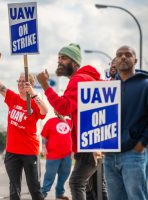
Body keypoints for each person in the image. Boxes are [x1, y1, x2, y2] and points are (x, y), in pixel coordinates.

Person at [37, 43, 101, 200]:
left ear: (75, 63)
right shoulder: (87, 78)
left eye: (64, 58)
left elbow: (64, 107)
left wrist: (45, 85)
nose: (59, 61)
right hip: (94, 139)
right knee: (95, 188)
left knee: (76, 183)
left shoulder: (78, 80)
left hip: (88, 142)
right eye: (59, 57)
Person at [0, 52, 48, 200]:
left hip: (29, 151)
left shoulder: (35, 102)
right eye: (19, 81)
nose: (20, 83)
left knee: (34, 188)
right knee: (14, 189)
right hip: (12, 151)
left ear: (30, 84)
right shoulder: (12, 98)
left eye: (24, 81)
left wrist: (33, 94)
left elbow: (45, 111)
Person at [103, 45, 148, 200]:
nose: (123, 57)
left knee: (137, 197)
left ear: (135, 59)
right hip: (109, 155)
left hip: (133, 154)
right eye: (119, 55)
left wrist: (142, 143)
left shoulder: (145, 85)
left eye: (128, 54)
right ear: (114, 61)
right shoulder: (106, 88)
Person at [41, 111, 72, 200]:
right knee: (50, 175)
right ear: (55, 112)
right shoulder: (50, 121)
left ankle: (59, 193)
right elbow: (44, 136)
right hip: (53, 154)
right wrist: (43, 147)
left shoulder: (70, 122)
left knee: (65, 174)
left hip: (67, 154)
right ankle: (43, 193)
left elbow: (74, 136)